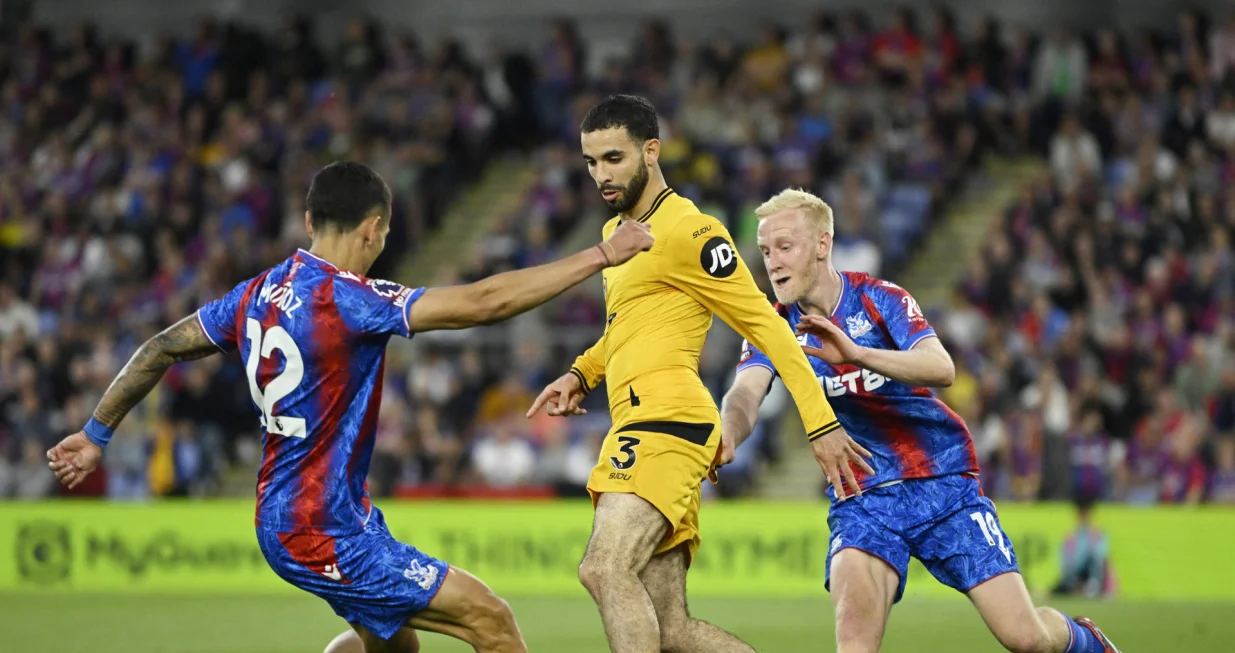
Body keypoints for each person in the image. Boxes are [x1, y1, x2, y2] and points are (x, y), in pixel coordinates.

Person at [46, 161, 654, 653]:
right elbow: (483, 302)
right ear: (373, 229)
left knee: (395, 650)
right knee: (490, 621)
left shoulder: (255, 292)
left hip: (315, 515)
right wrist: (600, 255)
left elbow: (158, 348)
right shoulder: (350, 299)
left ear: (310, 218)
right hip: (319, 529)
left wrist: (95, 433)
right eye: (383, 237)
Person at [526, 95, 872, 653]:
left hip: (666, 423)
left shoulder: (691, 232)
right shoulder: (619, 233)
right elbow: (626, 329)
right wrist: (581, 374)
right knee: (671, 630)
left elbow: (768, 326)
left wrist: (820, 423)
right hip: (642, 422)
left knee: (604, 568)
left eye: (613, 158)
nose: (600, 175)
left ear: (651, 151)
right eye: (591, 162)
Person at [718, 188, 1121, 653]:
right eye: (766, 251)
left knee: (1026, 638)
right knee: (855, 646)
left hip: (941, 480)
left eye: (785, 247)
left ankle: (1086, 641)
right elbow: (746, 391)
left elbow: (941, 368)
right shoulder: (772, 325)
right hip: (863, 496)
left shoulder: (878, 299)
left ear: (823, 244)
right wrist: (729, 432)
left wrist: (856, 353)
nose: (773, 262)